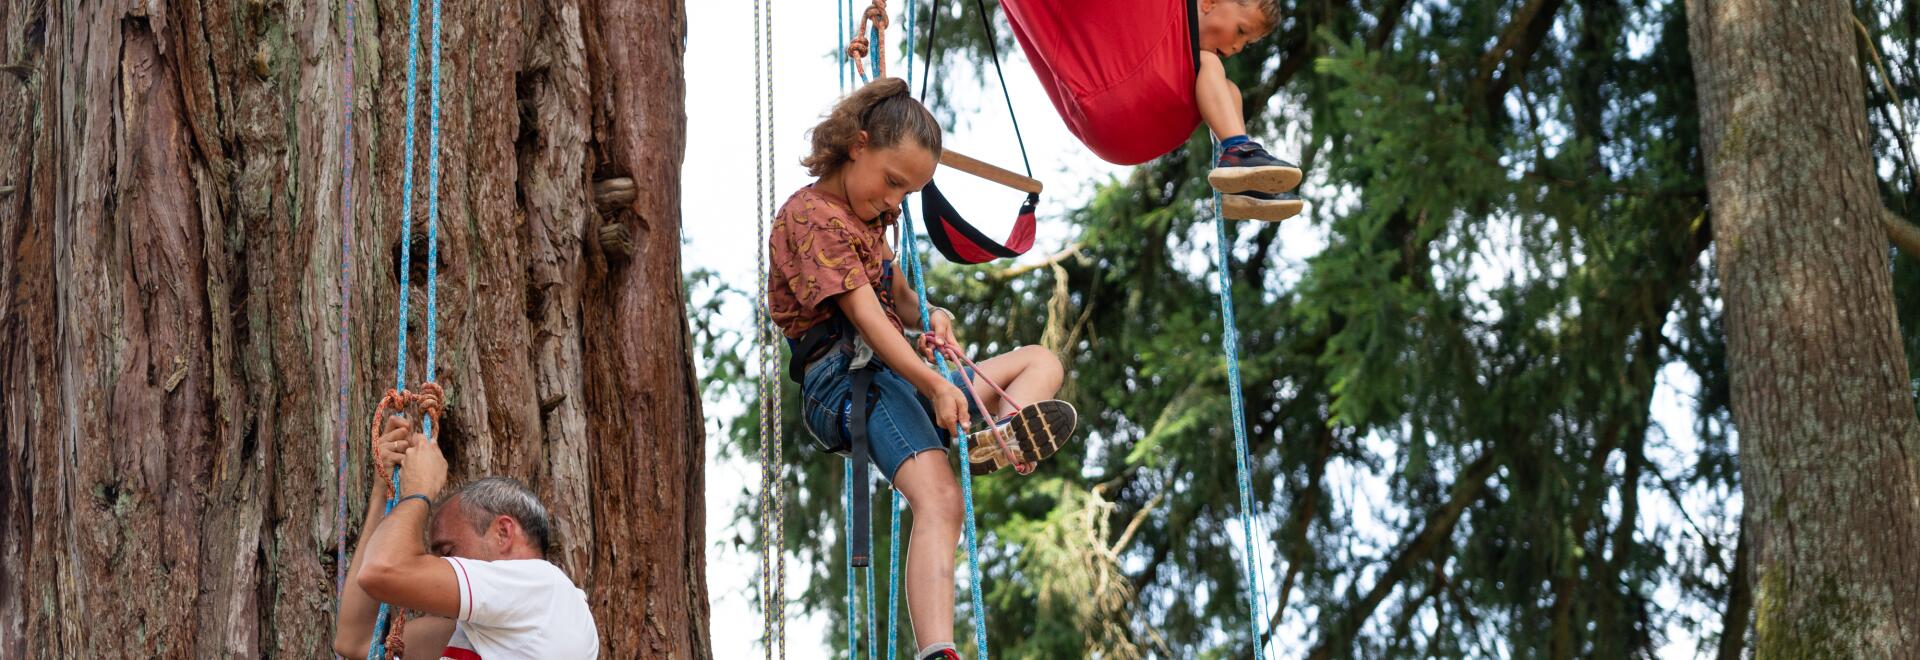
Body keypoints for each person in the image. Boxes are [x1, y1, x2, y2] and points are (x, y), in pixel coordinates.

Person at [770, 76, 1078, 660]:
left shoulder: (869, 223)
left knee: (1040, 361)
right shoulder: (811, 215)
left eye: (905, 193)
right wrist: (935, 382)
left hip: (897, 376)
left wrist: (935, 315)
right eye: (892, 182)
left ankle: (1000, 436)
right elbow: (867, 317)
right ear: (857, 145)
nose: (893, 202)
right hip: (847, 382)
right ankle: (937, 651)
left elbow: (900, 301)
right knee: (940, 500)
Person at [1001, 0, 1304, 221]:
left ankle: (1241, 179)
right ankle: (1239, 151)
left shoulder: (1189, 66)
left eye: (1247, 43)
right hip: (1111, 91)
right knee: (1212, 64)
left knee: (1231, 89)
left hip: (1129, 119)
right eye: (1240, 31)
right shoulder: (1169, 24)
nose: (1239, 46)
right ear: (1210, 2)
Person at [335, 414, 599, 659]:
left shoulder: (545, 590)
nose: (437, 564)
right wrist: (384, 492)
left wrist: (418, 491)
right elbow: (356, 640)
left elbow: (381, 571)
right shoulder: (470, 633)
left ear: (503, 533)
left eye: (447, 551)